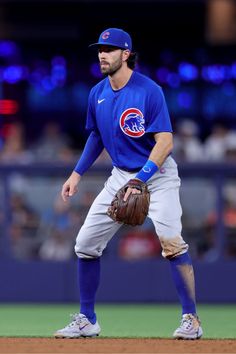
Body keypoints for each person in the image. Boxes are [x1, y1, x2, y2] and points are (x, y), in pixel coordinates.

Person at [54, 28, 203, 340]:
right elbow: (96, 136)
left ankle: (191, 319)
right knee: (85, 245)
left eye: (109, 49)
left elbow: (165, 143)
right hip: (121, 176)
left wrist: (141, 179)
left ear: (125, 54)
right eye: (99, 49)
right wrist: (77, 173)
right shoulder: (97, 93)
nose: (102, 55)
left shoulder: (149, 91)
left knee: (171, 242)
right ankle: (87, 319)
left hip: (158, 175)